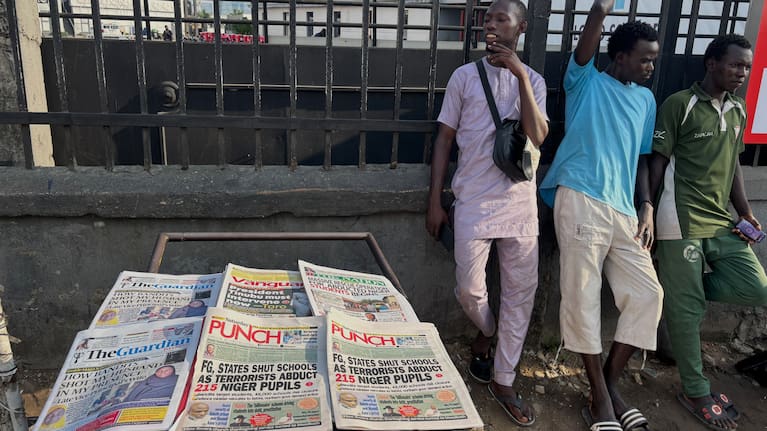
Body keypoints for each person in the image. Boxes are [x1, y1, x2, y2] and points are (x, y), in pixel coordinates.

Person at [538, 1, 663, 429]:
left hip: (624, 210)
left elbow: (644, 159)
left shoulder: (646, 100)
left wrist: (647, 205)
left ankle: (607, 384)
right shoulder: (585, 82)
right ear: (620, 56)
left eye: (654, 59)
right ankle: (600, 398)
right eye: (644, 58)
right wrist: (599, 10)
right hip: (580, 197)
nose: (650, 66)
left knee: (649, 294)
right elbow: (587, 45)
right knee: (582, 297)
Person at [425, 0, 548, 426]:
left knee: (520, 294)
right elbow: (444, 139)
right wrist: (435, 199)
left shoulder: (533, 79)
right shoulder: (464, 77)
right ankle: (487, 333)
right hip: (473, 199)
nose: (491, 25)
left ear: (521, 27)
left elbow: (539, 135)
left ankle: (504, 378)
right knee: (470, 291)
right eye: (488, 18)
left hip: (519, 203)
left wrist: (520, 78)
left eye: (502, 19)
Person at [650, 34, 765, 431]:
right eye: (735, 65)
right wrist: (645, 212)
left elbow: (734, 166)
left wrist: (747, 213)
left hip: (722, 221)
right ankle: (696, 389)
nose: (742, 73)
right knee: (685, 311)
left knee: (758, 287)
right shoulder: (679, 105)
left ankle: (686, 297)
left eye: (746, 67)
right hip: (677, 219)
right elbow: (656, 163)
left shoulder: (739, 109)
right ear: (711, 63)